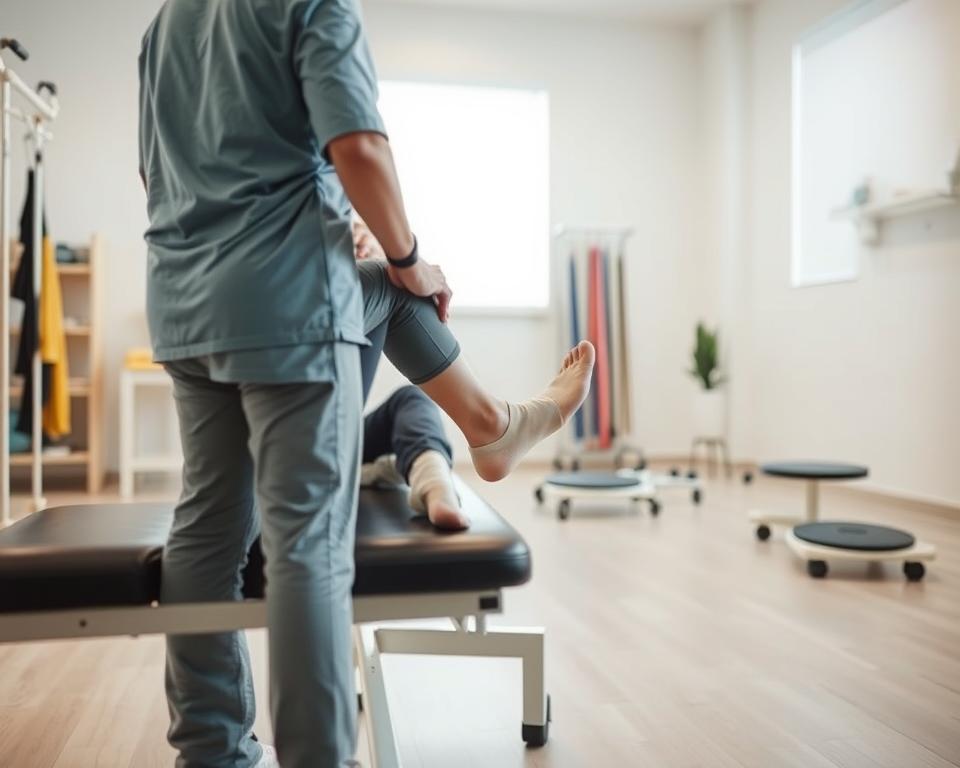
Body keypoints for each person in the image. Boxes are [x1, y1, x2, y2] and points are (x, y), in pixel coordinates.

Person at [353, 220, 595, 530]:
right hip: (289, 428)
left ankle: (435, 486)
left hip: (328, 424)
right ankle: (490, 424)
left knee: (411, 400)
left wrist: (364, 249)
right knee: (397, 279)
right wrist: (394, 260)